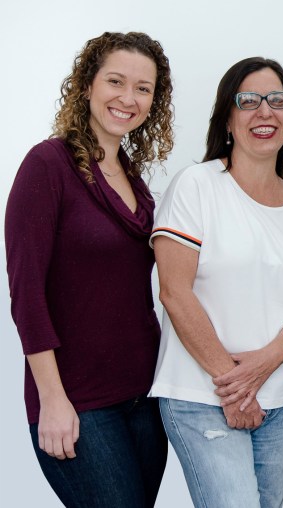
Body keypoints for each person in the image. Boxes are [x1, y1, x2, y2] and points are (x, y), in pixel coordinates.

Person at [150, 57, 283, 508]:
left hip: (281, 400)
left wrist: (263, 366)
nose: (264, 111)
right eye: (248, 100)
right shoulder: (196, 186)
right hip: (200, 395)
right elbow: (174, 290)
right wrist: (233, 384)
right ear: (227, 118)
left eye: (277, 100)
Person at [5, 31, 173, 506]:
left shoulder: (135, 179)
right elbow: (26, 296)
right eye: (115, 81)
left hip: (143, 397)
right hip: (78, 401)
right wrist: (52, 400)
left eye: (143, 88)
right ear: (86, 86)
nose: (128, 98)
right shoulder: (47, 166)